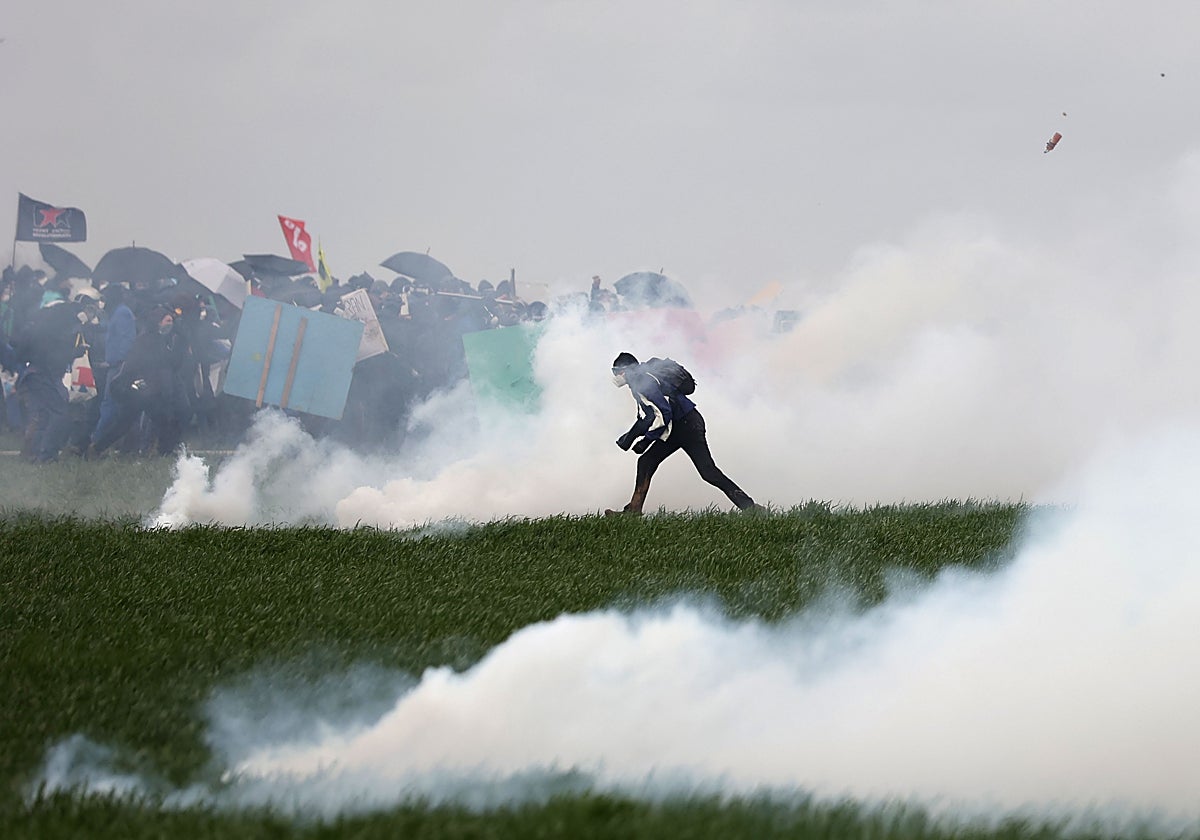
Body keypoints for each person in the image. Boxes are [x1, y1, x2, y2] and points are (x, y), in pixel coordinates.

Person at [607, 352, 760, 515]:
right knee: (646, 462)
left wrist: (646, 440)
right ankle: (634, 509)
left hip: (687, 426)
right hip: (680, 426)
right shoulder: (641, 380)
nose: (616, 376)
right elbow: (647, 417)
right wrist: (629, 438)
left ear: (626, 370)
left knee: (708, 472)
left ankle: (751, 508)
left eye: (617, 372)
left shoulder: (642, 381)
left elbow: (663, 413)